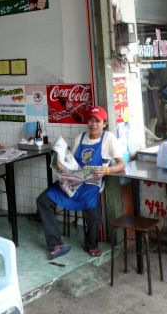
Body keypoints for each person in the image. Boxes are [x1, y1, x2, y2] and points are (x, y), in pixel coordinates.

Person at [36, 106, 125, 259]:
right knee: (43, 200)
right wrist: (61, 164)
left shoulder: (109, 138)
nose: (93, 124)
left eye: (97, 121)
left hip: (92, 183)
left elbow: (121, 165)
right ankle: (55, 243)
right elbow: (71, 160)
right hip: (73, 181)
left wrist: (107, 170)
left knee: (93, 215)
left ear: (104, 123)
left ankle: (92, 245)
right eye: (91, 120)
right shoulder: (80, 137)